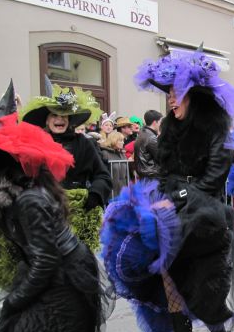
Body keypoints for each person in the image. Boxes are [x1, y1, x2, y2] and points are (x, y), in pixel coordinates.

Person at [103, 51, 234, 332]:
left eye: (175, 92)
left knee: (204, 294)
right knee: (173, 292)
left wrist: (178, 197)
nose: (170, 99)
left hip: (205, 222)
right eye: (166, 93)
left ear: (192, 96)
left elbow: (213, 180)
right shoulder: (167, 129)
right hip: (170, 221)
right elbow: (163, 171)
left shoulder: (217, 128)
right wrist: (158, 197)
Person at [0, 87, 107, 332]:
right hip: (54, 271)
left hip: (65, 276)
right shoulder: (11, 190)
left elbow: (46, 260)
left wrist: (16, 300)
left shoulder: (26, 199)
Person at [20, 85, 112, 250]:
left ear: (70, 120)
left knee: (78, 264)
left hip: (78, 214)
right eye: (54, 115)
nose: (59, 119)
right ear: (47, 120)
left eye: (64, 115)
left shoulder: (84, 143)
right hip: (43, 214)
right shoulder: (36, 144)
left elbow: (102, 175)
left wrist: (94, 195)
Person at [134, 109, 162, 180]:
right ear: (155, 122)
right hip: (152, 175)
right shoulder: (151, 137)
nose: (161, 125)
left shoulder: (142, 134)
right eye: (160, 122)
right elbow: (161, 157)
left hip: (145, 175)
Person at [100, 131, 129, 197]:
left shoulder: (123, 154)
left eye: (123, 140)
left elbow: (126, 175)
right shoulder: (105, 153)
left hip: (123, 191)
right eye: (121, 140)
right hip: (111, 192)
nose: (123, 142)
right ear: (114, 140)